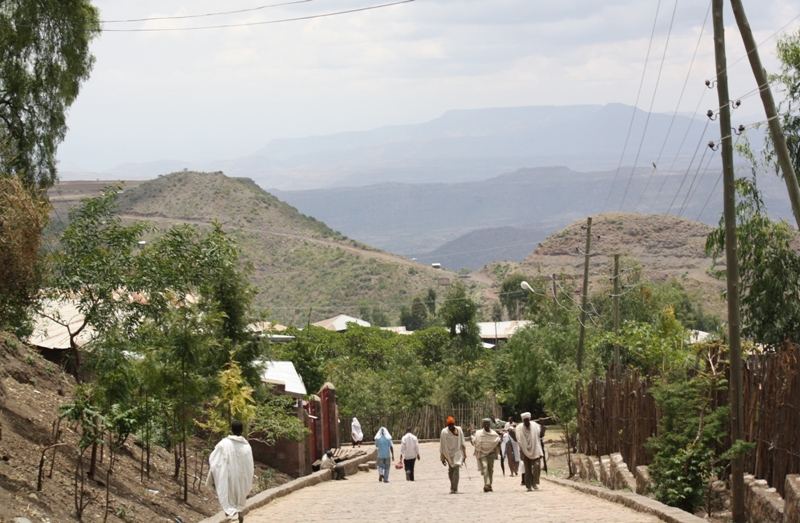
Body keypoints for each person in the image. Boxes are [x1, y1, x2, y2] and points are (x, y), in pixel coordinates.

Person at [206, 420, 254, 523]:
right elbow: (249, 465)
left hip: (228, 476)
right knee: (240, 495)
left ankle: (229, 516)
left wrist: (212, 477)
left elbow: (215, 461)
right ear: (242, 430)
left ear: (231, 430)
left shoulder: (223, 444)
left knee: (228, 495)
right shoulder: (246, 446)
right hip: (242, 477)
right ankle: (240, 516)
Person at [516, 412, 545, 491]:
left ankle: (534, 482)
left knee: (537, 466)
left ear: (529, 419)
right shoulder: (519, 428)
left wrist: (542, 425)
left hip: (535, 449)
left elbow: (541, 434)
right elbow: (517, 439)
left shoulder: (535, 426)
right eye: (524, 420)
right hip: (525, 451)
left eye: (527, 420)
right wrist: (511, 432)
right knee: (527, 469)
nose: (526, 422)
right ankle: (528, 485)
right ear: (523, 420)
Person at [471, 418, 501, 492]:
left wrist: (501, 439)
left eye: (488, 423)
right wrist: (470, 437)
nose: (486, 425)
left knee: (490, 470)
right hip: (482, 454)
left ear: (490, 424)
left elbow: (497, 441)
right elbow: (475, 441)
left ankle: (489, 485)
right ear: (483, 424)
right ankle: (487, 484)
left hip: (491, 454)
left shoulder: (493, 434)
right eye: (485, 423)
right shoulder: (479, 433)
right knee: (485, 467)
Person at [439, 416, 466, 494]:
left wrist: (464, 454)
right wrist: (442, 458)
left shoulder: (459, 430)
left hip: (458, 452)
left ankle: (455, 488)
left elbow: (463, 442)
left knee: (456, 469)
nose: (451, 426)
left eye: (452, 424)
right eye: (449, 425)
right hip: (449, 453)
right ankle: (452, 485)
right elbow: (442, 445)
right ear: (447, 425)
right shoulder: (444, 432)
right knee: (451, 470)